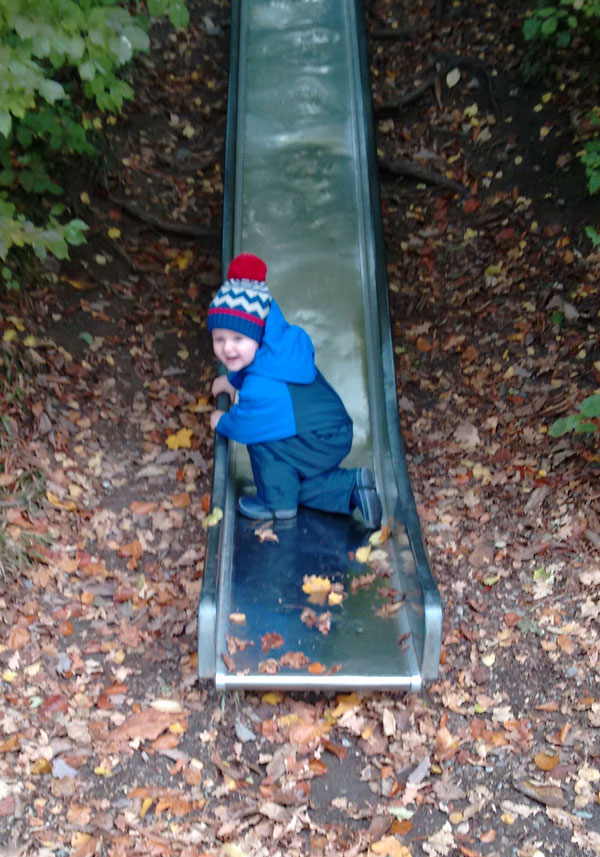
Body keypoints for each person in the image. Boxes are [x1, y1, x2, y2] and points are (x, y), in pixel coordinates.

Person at [208, 253, 382, 529]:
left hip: (319, 438)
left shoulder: (263, 387)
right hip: (328, 433)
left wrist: (223, 422)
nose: (227, 348)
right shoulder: (277, 349)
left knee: (262, 438)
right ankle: (351, 488)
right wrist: (233, 380)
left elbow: (247, 423)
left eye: (238, 338)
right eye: (220, 339)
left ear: (256, 334)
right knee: (293, 480)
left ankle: (277, 504)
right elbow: (255, 365)